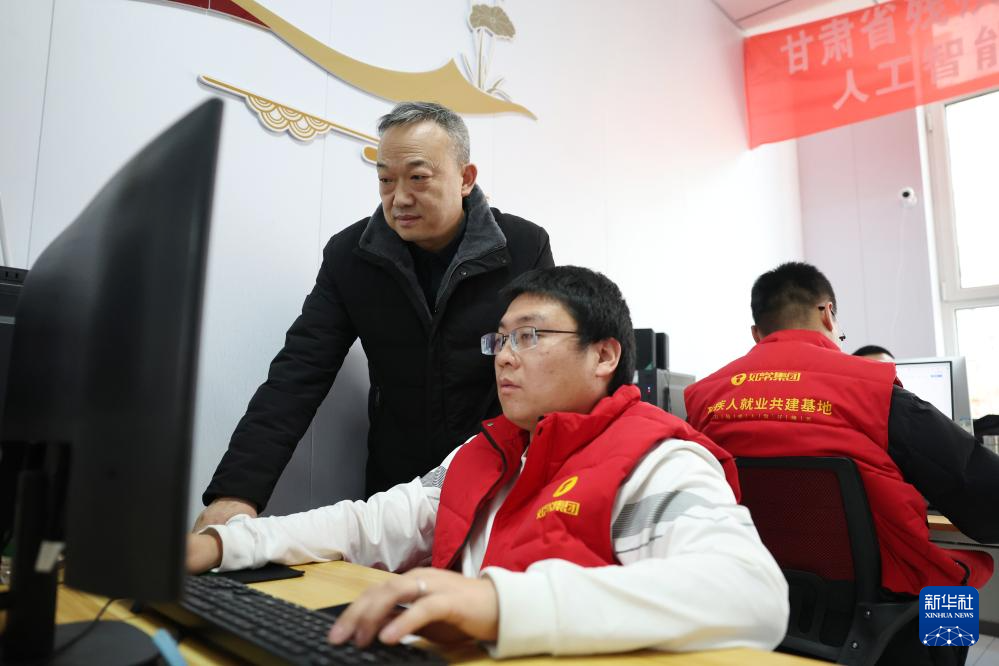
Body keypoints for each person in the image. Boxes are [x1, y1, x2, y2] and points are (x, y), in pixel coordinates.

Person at [187, 266, 789, 658]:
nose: (503, 357)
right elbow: (368, 524)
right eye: (499, 339)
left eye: (529, 336)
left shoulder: (658, 459)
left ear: (604, 355)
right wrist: (223, 544)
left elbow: (751, 592)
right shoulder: (487, 450)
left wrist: (499, 604)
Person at [195, 102, 554, 530]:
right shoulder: (351, 257)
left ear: (465, 178)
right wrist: (235, 493)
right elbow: (298, 373)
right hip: (396, 490)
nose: (398, 198)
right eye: (386, 180)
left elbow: (549, 372)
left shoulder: (522, 247)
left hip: (501, 478)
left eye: (418, 178)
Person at [684, 262, 999, 666]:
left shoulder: (702, 400)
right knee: (953, 582)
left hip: (763, 603)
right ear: (828, 314)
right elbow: (986, 497)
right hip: (883, 614)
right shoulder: (873, 386)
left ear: (757, 333)